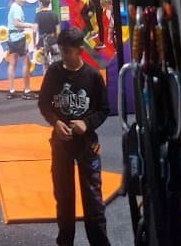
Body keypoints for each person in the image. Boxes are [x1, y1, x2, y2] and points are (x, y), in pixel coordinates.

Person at [38, 26, 111, 246]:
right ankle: (65, 242)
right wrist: (55, 122)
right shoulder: (54, 72)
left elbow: (104, 109)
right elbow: (43, 103)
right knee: (63, 198)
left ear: (80, 50)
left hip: (87, 145)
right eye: (61, 51)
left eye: (68, 52)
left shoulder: (93, 76)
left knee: (93, 202)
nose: (64, 56)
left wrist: (86, 124)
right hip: (61, 144)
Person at [6, 0, 35, 100]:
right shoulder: (18, 8)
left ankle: (11, 91)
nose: (24, 0)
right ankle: (27, 91)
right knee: (26, 63)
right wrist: (30, 25)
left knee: (12, 63)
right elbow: (17, 23)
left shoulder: (13, 7)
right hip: (18, 38)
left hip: (11, 38)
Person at [34, 0, 60, 73]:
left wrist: (35, 42)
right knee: (57, 61)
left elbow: (34, 30)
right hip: (54, 40)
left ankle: (46, 77)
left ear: (41, 3)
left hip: (43, 41)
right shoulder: (54, 14)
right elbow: (58, 31)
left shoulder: (38, 15)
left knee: (45, 64)